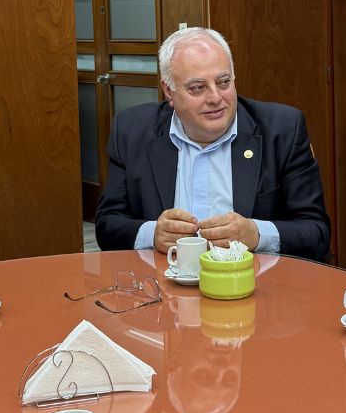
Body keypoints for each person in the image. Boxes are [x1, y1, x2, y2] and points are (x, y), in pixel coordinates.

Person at [94, 27, 330, 260]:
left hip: (255, 284)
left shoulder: (282, 130)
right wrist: (153, 234)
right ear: (169, 91)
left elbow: (316, 232)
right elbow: (108, 226)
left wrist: (257, 234)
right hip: (161, 286)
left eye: (224, 82)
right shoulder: (132, 130)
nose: (216, 98)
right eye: (198, 88)